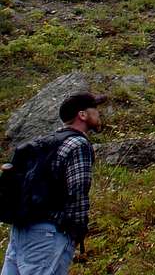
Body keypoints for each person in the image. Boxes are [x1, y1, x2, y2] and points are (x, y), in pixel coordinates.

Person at [1, 91, 106, 275]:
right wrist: (77, 232)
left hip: (20, 231)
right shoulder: (78, 144)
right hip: (48, 235)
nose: (99, 114)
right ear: (82, 115)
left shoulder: (45, 142)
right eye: (95, 109)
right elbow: (78, 192)